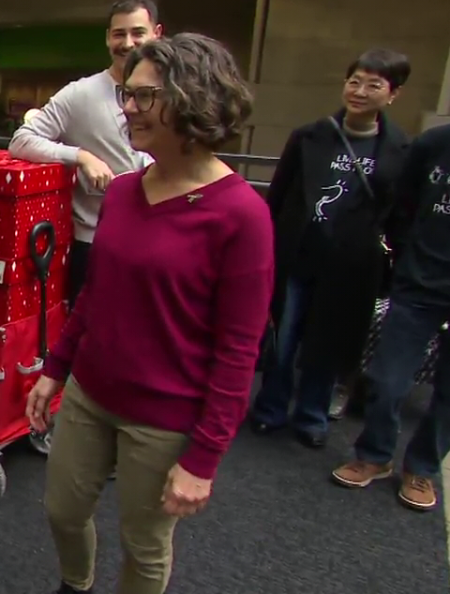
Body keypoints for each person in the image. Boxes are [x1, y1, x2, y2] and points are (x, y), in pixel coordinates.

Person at [25, 34, 272, 594]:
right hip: (91, 392)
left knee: (144, 544)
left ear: (193, 98)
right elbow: (95, 296)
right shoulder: (124, 190)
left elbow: (239, 351)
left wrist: (204, 458)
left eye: (143, 96)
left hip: (164, 419)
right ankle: (76, 584)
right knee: (62, 511)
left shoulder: (241, 215)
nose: (127, 109)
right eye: (126, 96)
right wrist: (54, 369)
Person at [250, 49, 410, 448]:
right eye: (354, 81)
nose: (359, 91)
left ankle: (311, 416)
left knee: (329, 343)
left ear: (393, 94)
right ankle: (270, 408)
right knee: (283, 338)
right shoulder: (309, 136)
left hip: (350, 266)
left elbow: (399, 215)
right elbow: (280, 195)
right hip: (298, 255)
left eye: (373, 84)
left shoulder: (400, 150)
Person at [8, 0, 160, 307]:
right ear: (107, 38)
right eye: (119, 34)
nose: (128, 43)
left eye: (137, 33)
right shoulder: (81, 94)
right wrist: (80, 156)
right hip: (95, 245)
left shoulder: (173, 95)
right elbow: (22, 140)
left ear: (157, 33)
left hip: (157, 241)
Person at [331, 122, 450, 511]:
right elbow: (403, 203)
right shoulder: (435, 143)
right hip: (419, 283)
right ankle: (375, 454)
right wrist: (405, 254)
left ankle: (421, 467)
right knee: (388, 381)